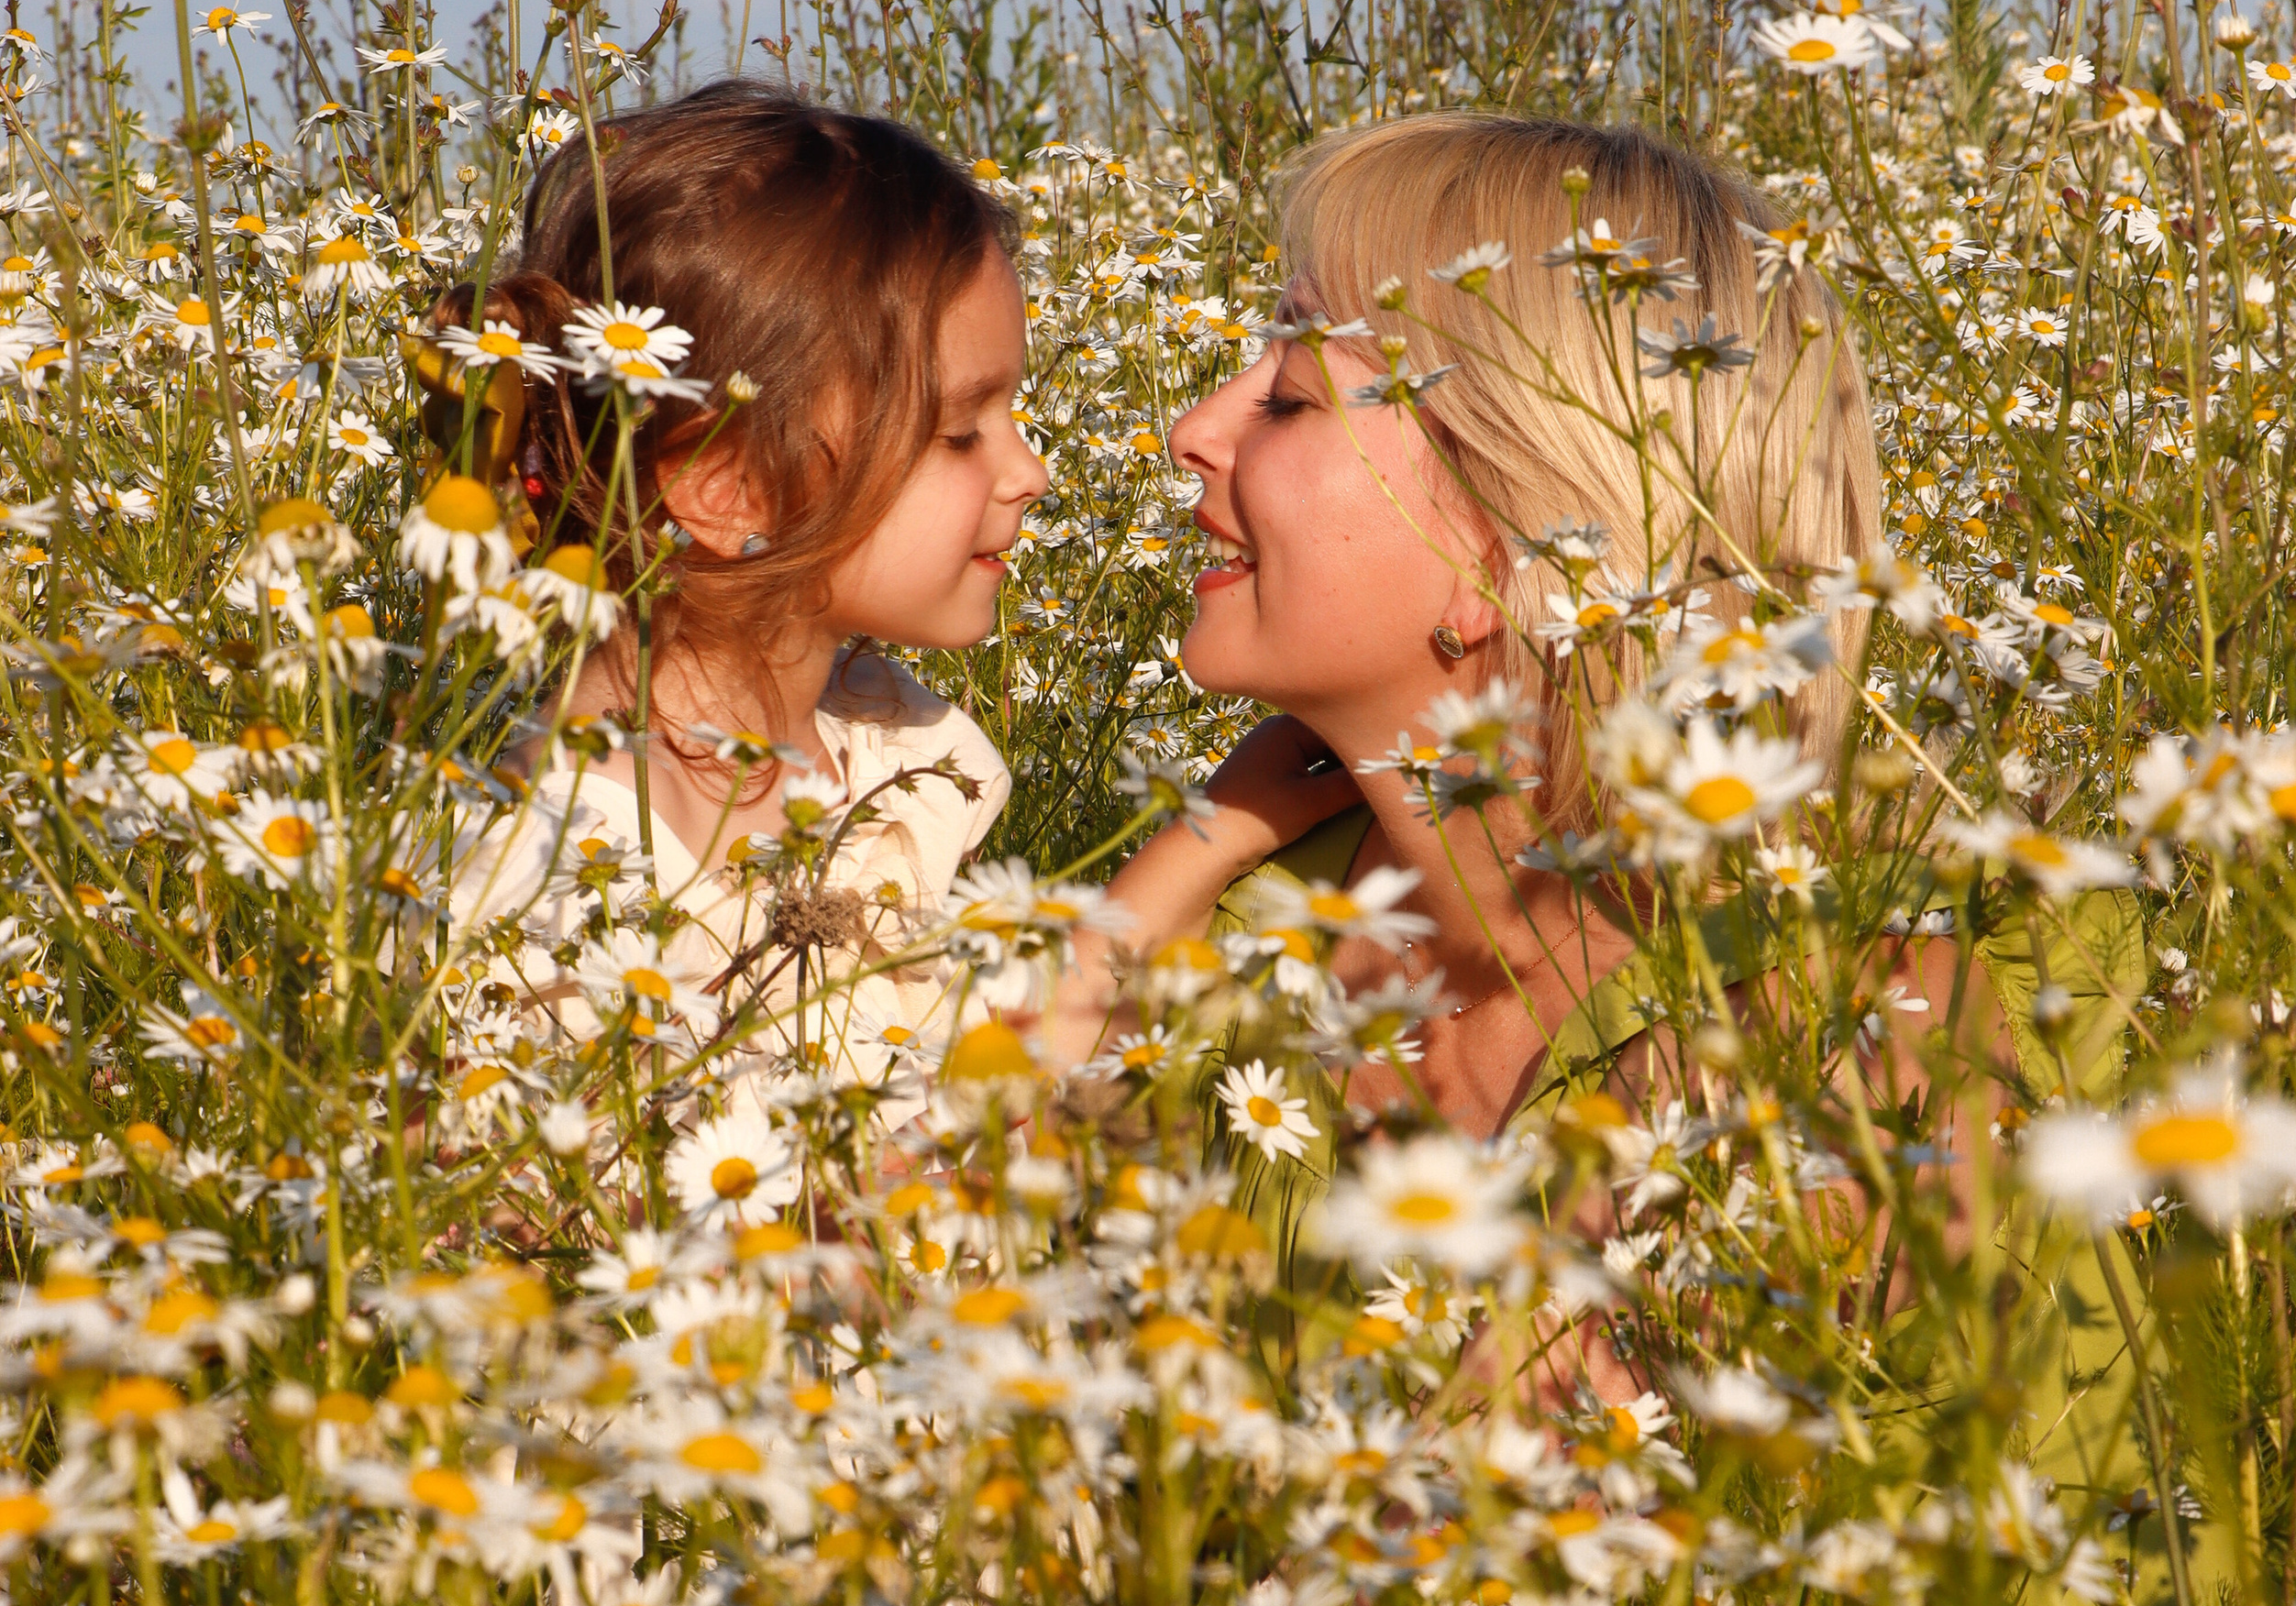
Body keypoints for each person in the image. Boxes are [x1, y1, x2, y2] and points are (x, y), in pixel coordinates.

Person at [1054, 114, 2145, 1473]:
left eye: (1288, 395)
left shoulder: (1869, 1036)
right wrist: (1179, 860)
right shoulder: (1233, 958)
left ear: (1519, 521)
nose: (1188, 430)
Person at [442, 82, 1044, 1111]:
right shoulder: (550, 882)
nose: (1027, 472)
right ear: (726, 486)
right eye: (959, 434)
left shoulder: (889, 746)